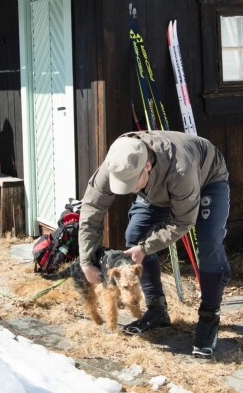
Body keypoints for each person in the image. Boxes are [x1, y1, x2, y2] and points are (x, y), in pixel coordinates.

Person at [77, 131, 231, 357]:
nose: (129, 190)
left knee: (209, 245)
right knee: (135, 235)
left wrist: (146, 248)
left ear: (147, 165)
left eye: (131, 183)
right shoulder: (117, 162)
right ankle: (157, 309)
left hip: (207, 178)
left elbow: (182, 221)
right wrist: (86, 260)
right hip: (156, 188)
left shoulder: (181, 170)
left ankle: (209, 316)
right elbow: (92, 211)